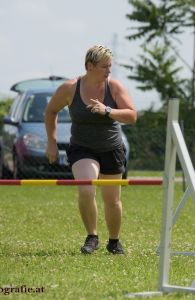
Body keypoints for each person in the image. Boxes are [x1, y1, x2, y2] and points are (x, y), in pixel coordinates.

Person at [45, 44, 137, 254]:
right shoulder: (70, 88)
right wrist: (51, 142)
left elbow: (132, 116)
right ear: (89, 66)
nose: (109, 71)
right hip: (82, 148)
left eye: (110, 67)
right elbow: (51, 111)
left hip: (112, 148)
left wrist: (108, 110)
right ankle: (92, 237)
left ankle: (114, 242)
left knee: (112, 200)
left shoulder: (114, 87)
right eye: (105, 67)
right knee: (87, 189)